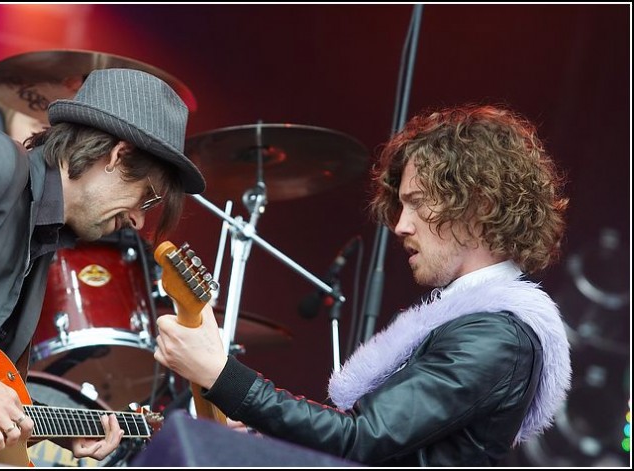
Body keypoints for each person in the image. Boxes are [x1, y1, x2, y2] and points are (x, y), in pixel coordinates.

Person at [153, 104, 572, 466]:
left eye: (418, 203)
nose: (401, 225)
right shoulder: (473, 327)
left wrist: (221, 374)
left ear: (477, 204)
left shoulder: (497, 337)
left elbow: (361, 438)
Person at [0, 68, 206, 461]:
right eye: (146, 197)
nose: (139, 220)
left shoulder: (43, 237)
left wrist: (48, 427)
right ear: (118, 155)